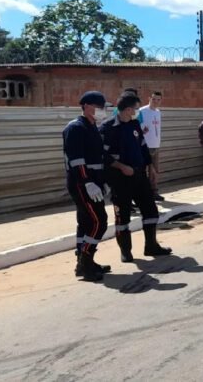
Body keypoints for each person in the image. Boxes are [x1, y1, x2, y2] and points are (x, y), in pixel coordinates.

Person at [101, 92, 172, 263]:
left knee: (151, 211)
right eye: (136, 108)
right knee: (122, 217)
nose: (137, 111)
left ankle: (151, 246)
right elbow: (102, 154)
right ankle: (126, 251)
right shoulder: (107, 128)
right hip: (120, 179)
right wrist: (121, 167)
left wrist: (151, 168)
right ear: (127, 109)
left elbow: (143, 147)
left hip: (139, 176)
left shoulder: (134, 125)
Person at [63, 91, 111, 281]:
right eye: (99, 107)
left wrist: (103, 180)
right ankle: (85, 260)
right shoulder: (76, 128)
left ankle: (85, 263)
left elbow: (98, 158)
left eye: (103, 107)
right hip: (82, 182)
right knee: (99, 221)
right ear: (86, 106)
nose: (102, 111)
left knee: (85, 222)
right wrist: (88, 182)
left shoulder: (93, 127)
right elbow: (76, 160)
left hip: (94, 181)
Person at [139, 91, 164, 201]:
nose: (156, 102)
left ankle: (154, 191)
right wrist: (142, 131)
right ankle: (144, 193)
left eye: (158, 100)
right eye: (154, 99)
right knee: (143, 170)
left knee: (155, 170)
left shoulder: (158, 112)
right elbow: (136, 127)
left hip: (156, 145)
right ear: (149, 98)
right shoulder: (142, 111)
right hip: (145, 145)